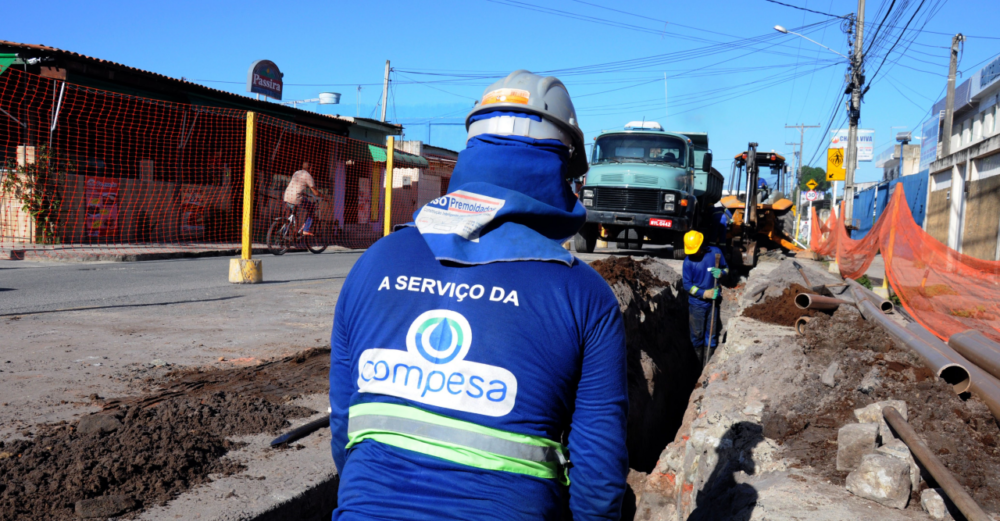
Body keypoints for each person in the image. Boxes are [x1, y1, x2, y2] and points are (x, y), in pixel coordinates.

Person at [329, 70, 628, 520]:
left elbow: (342, 429)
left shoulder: (374, 262)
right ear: (564, 167)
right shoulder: (584, 295)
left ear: (472, 152)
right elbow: (599, 478)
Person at [682, 230, 727, 365]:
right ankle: (695, 368)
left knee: (711, 335)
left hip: (713, 302)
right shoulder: (688, 262)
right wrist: (704, 293)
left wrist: (721, 273)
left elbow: (726, 268)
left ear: (701, 245)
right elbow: (687, 285)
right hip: (696, 305)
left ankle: (706, 367)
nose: (692, 253)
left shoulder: (715, 253)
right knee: (696, 336)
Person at [283, 161, 319, 235]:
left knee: (290, 218)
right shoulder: (308, 176)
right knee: (312, 207)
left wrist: (305, 194)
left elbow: (297, 186)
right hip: (296, 198)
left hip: (286, 196)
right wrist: (324, 197)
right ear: (310, 168)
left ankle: (284, 234)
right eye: (312, 167)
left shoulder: (297, 173)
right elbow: (316, 192)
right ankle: (306, 229)